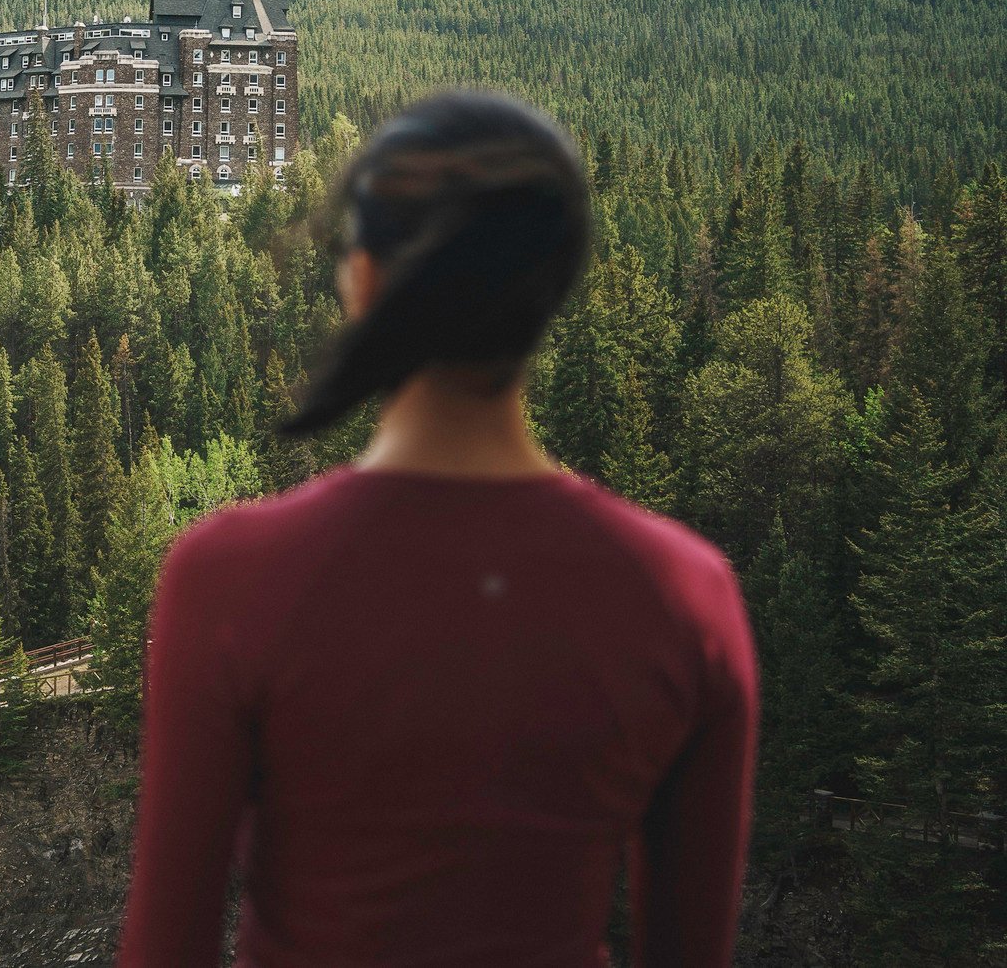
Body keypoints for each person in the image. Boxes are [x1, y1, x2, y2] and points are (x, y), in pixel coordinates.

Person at [119, 91, 757, 968]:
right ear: (553, 289)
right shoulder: (686, 594)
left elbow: (165, 947)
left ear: (366, 281)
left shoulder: (227, 578)